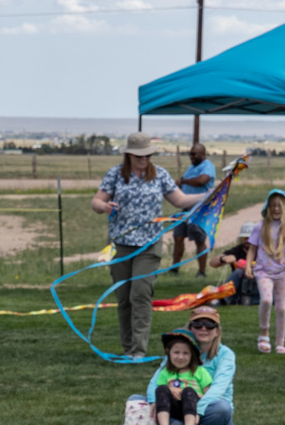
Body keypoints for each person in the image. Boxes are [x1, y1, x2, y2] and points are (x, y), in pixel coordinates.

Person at [91, 133, 207, 358]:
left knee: (140, 294)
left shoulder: (160, 175)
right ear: (129, 155)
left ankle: (138, 350)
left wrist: (208, 195)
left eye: (147, 154)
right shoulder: (115, 174)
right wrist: (104, 206)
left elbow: (180, 200)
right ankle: (127, 348)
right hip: (120, 246)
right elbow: (96, 201)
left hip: (149, 245)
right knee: (123, 298)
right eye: (139, 155)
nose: (144, 159)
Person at [246, 188, 285, 354]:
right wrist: (249, 266)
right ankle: (264, 334)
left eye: (279, 206)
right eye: (273, 205)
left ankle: (280, 342)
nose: (276, 209)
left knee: (282, 308)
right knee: (267, 300)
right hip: (263, 272)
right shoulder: (259, 227)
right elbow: (252, 249)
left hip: (282, 273)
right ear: (267, 207)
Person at [151, 328, 211, 425]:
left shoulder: (200, 372)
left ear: (192, 355)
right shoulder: (165, 373)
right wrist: (170, 389)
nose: (180, 357)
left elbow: (208, 395)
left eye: (185, 353)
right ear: (169, 353)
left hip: (193, 408)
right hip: (174, 408)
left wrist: (191, 393)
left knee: (188, 391)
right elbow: (161, 395)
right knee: (161, 389)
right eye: (176, 352)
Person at [170, 141, 217, 275]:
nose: (191, 157)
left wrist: (183, 181)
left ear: (202, 154)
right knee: (178, 237)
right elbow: (186, 181)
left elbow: (202, 181)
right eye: (190, 154)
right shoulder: (191, 167)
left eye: (194, 154)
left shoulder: (207, 166)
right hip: (186, 208)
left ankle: (201, 271)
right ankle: (175, 268)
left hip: (199, 209)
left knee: (199, 239)